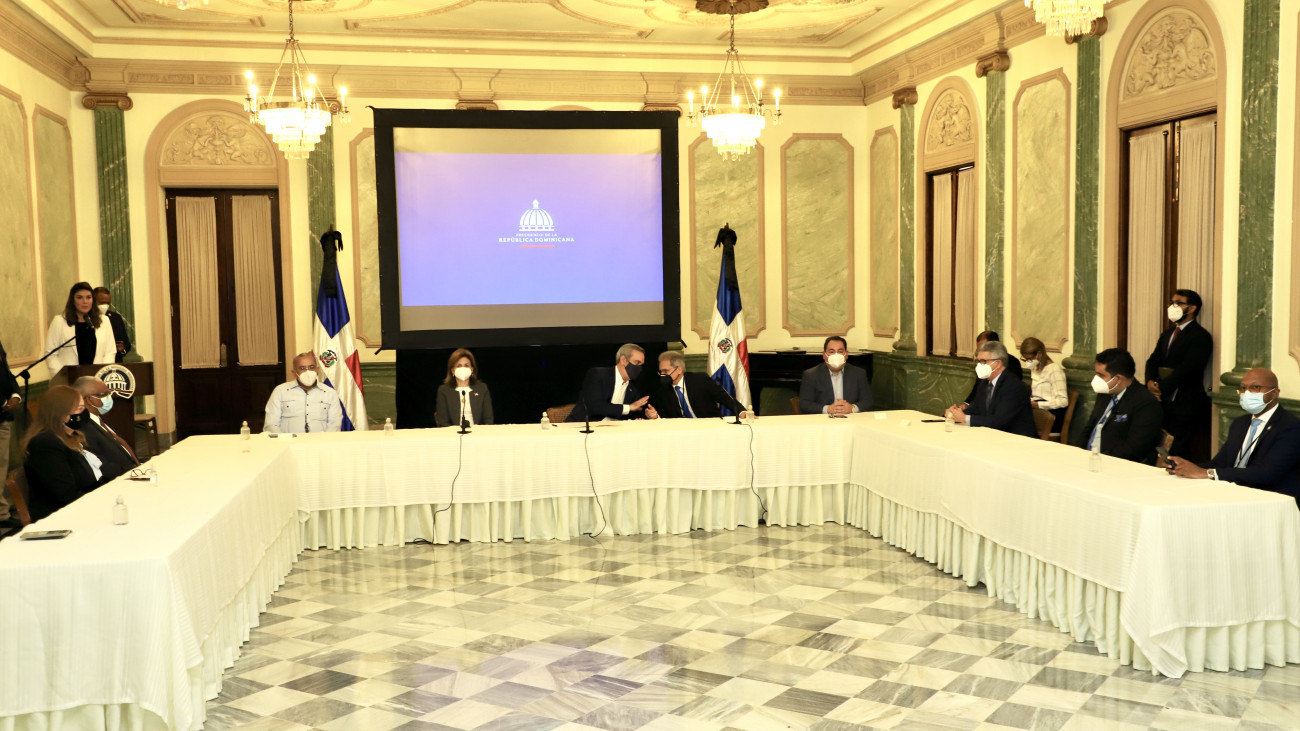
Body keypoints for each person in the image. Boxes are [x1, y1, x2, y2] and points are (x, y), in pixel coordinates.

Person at [1167, 368, 1300, 500]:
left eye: (1256, 387)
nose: (1247, 393)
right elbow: (1220, 463)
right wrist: (1184, 467)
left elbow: (1266, 473)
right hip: (1234, 491)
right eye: (1243, 388)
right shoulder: (1240, 423)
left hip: (1271, 498)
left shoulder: (1291, 426)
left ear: (1275, 393)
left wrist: (1206, 473)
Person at [1145, 289, 1212, 460]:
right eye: (1171, 303)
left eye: (1179, 303)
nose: (1173, 307)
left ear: (1192, 308)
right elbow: (1153, 360)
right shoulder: (1168, 333)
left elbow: (1189, 369)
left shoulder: (1200, 336)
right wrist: (1150, 381)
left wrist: (1161, 389)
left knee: (1177, 449)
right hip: (1163, 401)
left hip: (1185, 403)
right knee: (1159, 446)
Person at [22, 385, 106, 522]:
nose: (84, 412)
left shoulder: (70, 436)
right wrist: (102, 504)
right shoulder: (45, 444)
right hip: (60, 518)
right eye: (79, 409)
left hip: (81, 507)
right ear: (61, 414)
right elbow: (66, 494)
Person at [1070, 348, 1163, 464]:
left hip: (1115, 464)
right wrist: (1077, 452)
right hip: (1089, 459)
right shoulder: (1104, 393)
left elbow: (1134, 448)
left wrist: (1102, 461)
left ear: (1118, 379)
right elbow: (1089, 428)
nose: (1096, 379)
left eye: (1101, 375)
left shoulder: (1146, 403)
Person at [945, 340, 1037, 438]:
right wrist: (955, 413)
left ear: (997, 363)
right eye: (978, 361)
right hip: (993, 436)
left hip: (1018, 439)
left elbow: (999, 421)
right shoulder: (984, 383)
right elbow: (975, 409)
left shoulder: (1013, 386)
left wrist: (965, 418)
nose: (979, 365)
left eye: (983, 361)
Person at [44, 282, 116, 380]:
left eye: (88, 297)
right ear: (73, 300)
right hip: (68, 381)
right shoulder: (59, 321)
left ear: (93, 300)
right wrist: (63, 378)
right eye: (79, 297)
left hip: (96, 380)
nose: (85, 301)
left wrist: (102, 376)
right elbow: (50, 354)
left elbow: (110, 352)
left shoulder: (104, 321)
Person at [73, 376, 139, 482]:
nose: (109, 397)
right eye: (104, 394)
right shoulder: (84, 428)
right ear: (89, 400)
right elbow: (101, 466)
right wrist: (133, 471)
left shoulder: (99, 420)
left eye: (109, 392)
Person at [567, 343, 653, 422]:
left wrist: (649, 415)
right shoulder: (598, 375)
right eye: (637, 362)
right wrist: (629, 407)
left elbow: (635, 412)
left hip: (613, 430)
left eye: (641, 365)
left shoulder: (632, 389)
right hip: (582, 427)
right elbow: (595, 406)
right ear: (623, 360)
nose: (639, 368)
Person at [652, 350, 749, 419]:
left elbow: (724, 397)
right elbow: (667, 416)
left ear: (679, 370)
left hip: (709, 427)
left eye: (665, 371)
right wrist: (656, 416)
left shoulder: (700, 380)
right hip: (683, 431)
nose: (662, 375)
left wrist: (741, 411)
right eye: (660, 372)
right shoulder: (663, 390)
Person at [262, 352, 343, 434]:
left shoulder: (330, 393)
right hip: (288, 441)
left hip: (321, 441)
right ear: (294, 373)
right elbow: (271, 425)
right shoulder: (280, 391)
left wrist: (324, 440)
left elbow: (335, 424)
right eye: (302, 368)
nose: (308, 372)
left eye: (311, 367)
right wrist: (284, 440)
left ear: (317, 370)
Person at [798, 336, 873, 415]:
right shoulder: (811, 375)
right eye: (831, 351)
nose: (836, 355)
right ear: (824, 355)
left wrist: (852, 408)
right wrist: (827, 409)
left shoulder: (859, 373)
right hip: (824, 420)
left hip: (851, 418)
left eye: (840, 351)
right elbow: (804, 404)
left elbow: (868, 401)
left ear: (846, 354)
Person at [1020, 337, 1068, 436]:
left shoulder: (1054, 370)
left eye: (1030, 359)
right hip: (1036, 412)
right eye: (1025, 359)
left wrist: (1038, 405)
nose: (1028, 362)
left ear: (1039, 354)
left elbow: (1062, 401)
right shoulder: (1035, 368)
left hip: (1051, 416)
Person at [962, 331, 1023, 407]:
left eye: (984, 348)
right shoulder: (983, 379)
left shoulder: (1012, 364)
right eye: (979, 350)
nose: (981, 364)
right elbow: (977, 390)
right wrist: (966, 405)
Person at [436, 349, 494, 428]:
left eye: (466, 365)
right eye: (459, 366)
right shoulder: (444, 390)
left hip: (479, 433)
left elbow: (488, 420)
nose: (463, 369)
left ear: (472, 369)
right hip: (453, 434)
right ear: (453, 371)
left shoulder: (482, 388)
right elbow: (443, 422)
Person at [0, 337, 21, 533]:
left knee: (2, 466)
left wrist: (15, 395)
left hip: (4, 416)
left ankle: (2, 514)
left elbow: (6, 373)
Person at [93, 287, 132, 363]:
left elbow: (127, 343)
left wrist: (122, 348)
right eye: (102, 303)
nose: (105, 306)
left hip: (114, 361)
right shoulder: (86, 318)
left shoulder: (116, 318)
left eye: (108, 303)